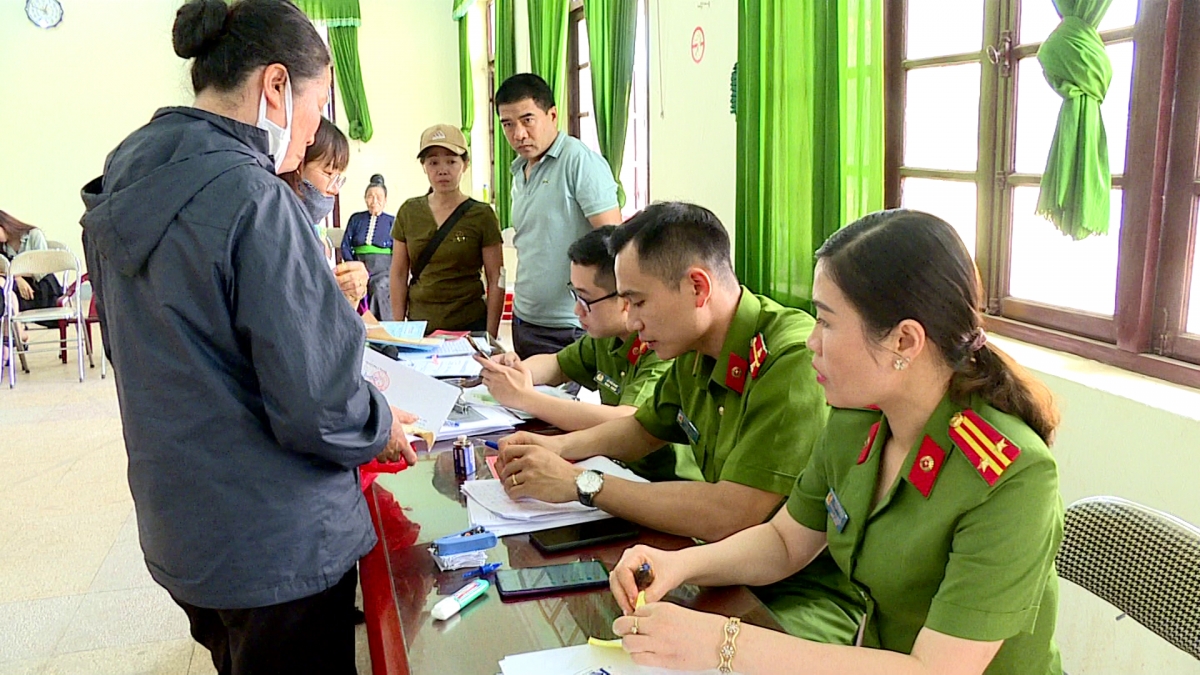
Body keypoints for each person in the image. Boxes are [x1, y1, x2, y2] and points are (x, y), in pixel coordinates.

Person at [79, 1, 416, 672]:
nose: (315, 129)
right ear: (275, 87)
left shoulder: (124, 180)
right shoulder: (255, 198)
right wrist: (378, 424)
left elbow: (132, 348)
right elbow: (317, 402)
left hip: (183, 523)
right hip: (277, 541)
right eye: (317, 105)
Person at [606, 209, 1064, 675]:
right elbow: (785, 541)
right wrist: (679, 565)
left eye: (826, 322)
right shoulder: (857, 420)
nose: (811, 342)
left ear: (905, 341)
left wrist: (724, 642)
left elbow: (934, 670)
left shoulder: (1012, 477)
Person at [495, 202, 862, 643]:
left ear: (696, 287)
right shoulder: (694, 347)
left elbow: (735, 514)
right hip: (717, 568)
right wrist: (553, 450)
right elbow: (641, 430)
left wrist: (583, 483)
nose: (630, 319)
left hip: (800, 596)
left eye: (638, 300)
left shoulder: (787, 361)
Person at [477, 226, 699, 482]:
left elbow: (629, 419)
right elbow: (557, 365)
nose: (577, 310)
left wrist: (525, 398)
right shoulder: (606, 338)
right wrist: (516, 370)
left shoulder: (661, 344)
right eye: (574, 294)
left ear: (624, 297)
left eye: (585, 299)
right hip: (617, 467)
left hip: (661, 482)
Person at [496, 73, 623, 358]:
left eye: (527, 120)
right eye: (508, 124)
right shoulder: (519, 170)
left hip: (570, 324)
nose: (518, 134)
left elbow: (614, 243)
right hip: (524, 319)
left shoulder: (579, 162)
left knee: (559, 403)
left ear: (552, 115)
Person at [390, 124, 503, 336]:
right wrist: (399, 328)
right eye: (433, 162)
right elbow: (398, 273)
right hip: (420, 327)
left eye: (451, 161)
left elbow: (495, 276)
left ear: (465, 164)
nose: (442, 170)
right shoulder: (409, 211)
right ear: (424, 166)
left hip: (469, 327)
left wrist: (490, 335)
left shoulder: (482, 214)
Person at [280, 117, 370, 309]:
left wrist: (353, 293)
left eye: (339, 178)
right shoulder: (281, 229)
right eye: (329, 173)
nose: (334, 189)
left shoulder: (320, 235)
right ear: (297, 165)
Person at [0, 210, 63, 338]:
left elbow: (42, 268)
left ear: (5, 225)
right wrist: (17, 277)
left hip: (41, 287)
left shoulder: (34, 235)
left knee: (6, 298)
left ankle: (14, 334)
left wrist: (15, 275)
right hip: (18, 287)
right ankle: (16, 332)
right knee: (5, 295)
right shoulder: (3, 246)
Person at [340, 173, 394, 320]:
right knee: (353, 286)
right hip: (359, 265)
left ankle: (382, 327)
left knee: (379, 287)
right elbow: (345, 245)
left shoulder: (392, 221)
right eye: (370, 196)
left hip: (383, 270)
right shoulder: (356, 219)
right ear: (365, 198)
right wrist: (353, 263)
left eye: (379, 197)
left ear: (385, 200)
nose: (374, 200)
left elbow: (398, 251)